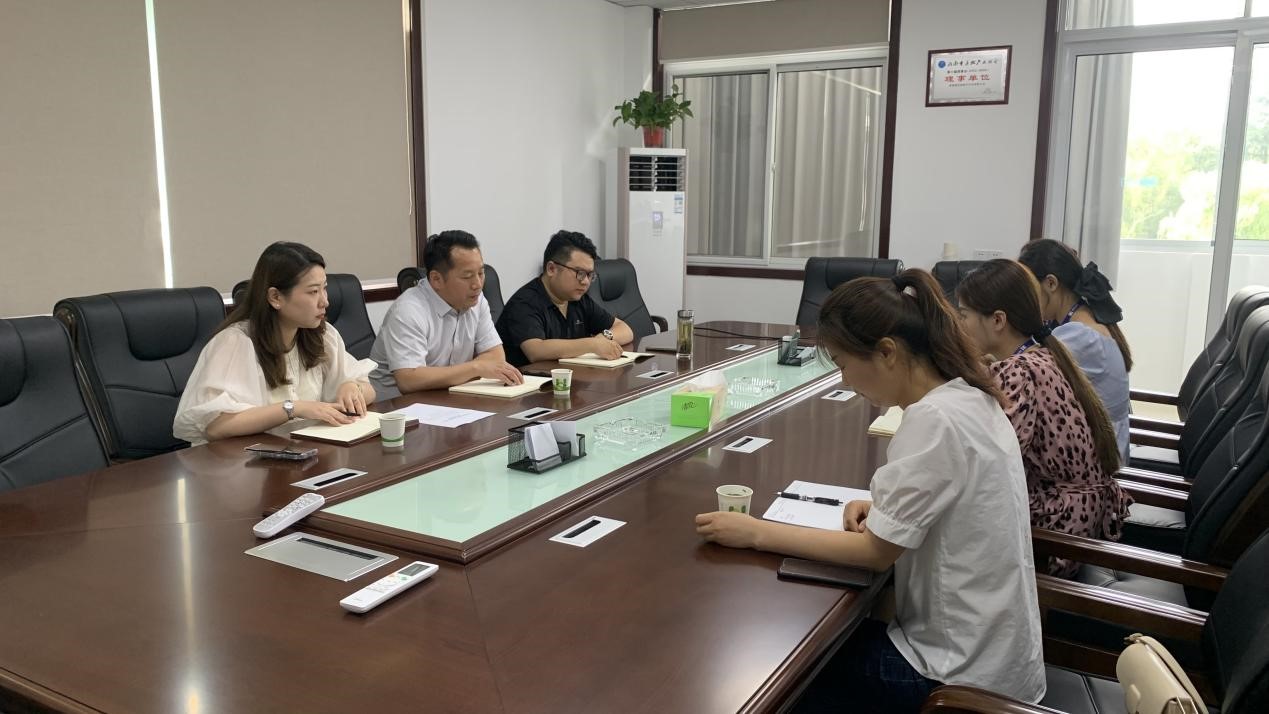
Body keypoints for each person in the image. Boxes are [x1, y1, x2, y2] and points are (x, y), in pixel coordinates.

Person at [695, 269, 1046, 713]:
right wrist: (885, 507)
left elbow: (875, 553)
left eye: (844, 364)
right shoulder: (969, 396)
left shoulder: (934, 420)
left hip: (952, 678)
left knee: (784, 671)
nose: (844, 380)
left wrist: (755, 532)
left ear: (887, 352)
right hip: (998, 662)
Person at [955, 259, 1131, 577]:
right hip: (1080, 517)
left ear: (998, 320)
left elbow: (991, 465)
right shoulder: (1042, 354)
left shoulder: (1018, 372)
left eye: (964, 314)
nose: (959, 324)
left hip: (1056, 533)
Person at [173, 242, 376, 445]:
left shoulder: (321, 335)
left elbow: (369, 390)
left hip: (302, 451)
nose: (325, 301)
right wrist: (293, 408)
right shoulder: (235, 343)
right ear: (275, 297)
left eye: (324, 289)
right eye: (313, 292)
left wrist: (352, 387)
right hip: (244, 459)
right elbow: (216, 427)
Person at [369, 230, 521, 397]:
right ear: (436, 279)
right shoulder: (408, 311)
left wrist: (474, 369)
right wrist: (476, 368)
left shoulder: (476, 300)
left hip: (449, 398)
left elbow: (496, 357)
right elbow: (409, 380)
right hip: (395, 406)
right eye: (467, 276)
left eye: (481, 273)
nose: (477, 284)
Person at [1018, 238, 1132, 461]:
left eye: (1029, 289)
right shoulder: (1084, 317)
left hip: (1100, 460)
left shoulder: (1080, 337)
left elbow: (1024, 369)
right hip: (1100, 444)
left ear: (1051, 283)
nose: (1026, 299)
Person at [495, 230, 634, 367]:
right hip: (529, 379)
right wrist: (592, 344)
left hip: (569, 377)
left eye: (590, 275)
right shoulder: (524, 302)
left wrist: (603, 338)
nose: (585, 281)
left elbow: (625, 329)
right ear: (551, 269)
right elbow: (536, 350)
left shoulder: (578, 299)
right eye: (579, 273)